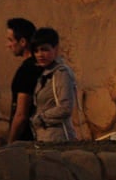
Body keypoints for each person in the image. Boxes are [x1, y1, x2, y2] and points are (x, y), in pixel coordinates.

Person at [27, 26, 79, 142]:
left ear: (55, 49)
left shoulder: (61, 73)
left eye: (44, 49)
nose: (40, 54)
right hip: (45, 137)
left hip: (58, 138)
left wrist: (39, 119)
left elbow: (65, 108)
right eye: (36, 51)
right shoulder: (45, 73)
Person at [5, 17, 41, 145]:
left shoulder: (27, 70)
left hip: (27, 142)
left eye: (10, 40)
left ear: (23, 42)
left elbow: (21, 115)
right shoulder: (39, 66)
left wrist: (10, 143)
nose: (8, 45)